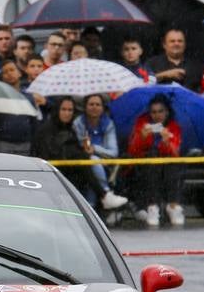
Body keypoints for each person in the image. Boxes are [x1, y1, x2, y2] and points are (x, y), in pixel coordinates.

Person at [34, 96, 129, 211]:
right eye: (63, 110)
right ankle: (103, 195)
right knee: (87, 160)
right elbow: (47, 153)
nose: (67, 113)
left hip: (72, 169)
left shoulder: (70, 128)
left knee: (87, 162)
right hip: (51, 171)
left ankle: (94, 204)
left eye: (70, 110)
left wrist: (85, 149)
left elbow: (112, 151)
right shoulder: (47, 129)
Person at [126, 96, 186, 227]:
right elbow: (132, 151)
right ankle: (152, 207)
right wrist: (141, 137)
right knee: (152, 160)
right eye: (153, 112)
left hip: (168, 165)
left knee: (172, 164)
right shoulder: (142, 124)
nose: (157, 115)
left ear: (167, 112)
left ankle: (173, 206)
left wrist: (167, 142)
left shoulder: (174, 127)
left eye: (160, 111)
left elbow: (176, 153)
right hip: (144, 166)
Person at [73, 93, 121, 200]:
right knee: (92, 162)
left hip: (106, 165)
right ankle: (105, 194)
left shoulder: (108, 124)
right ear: (85, 107)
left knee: (94, 160)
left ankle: (103, 195)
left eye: (98, 104)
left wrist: (95, 149)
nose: (94, 107)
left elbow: (113, 152)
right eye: (91, 104)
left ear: (103, 108)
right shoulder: (78, 123)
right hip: (82, 165)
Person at [0, 60, 35, 155]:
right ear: (2, 77)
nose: (9, 73)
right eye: (5, 72)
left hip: (25, 143)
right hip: (3, 143)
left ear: (19, 73)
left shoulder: (28, 97)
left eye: (12, 70)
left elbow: (33, 122)